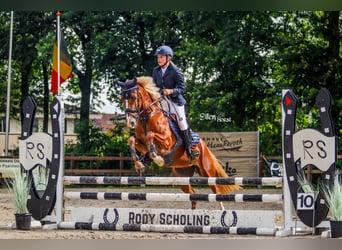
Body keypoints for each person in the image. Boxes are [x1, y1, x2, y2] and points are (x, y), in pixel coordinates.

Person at [152, 45, 199, 161]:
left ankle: (190, 149)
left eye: (161, 57)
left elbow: (182, 88)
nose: (159, 59)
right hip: (162, 101)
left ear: (168, 58)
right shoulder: (156, 71)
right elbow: (154, 86)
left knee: (182, 123)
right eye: (158, 57)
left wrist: (171, 91)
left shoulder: (175, 71)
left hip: (176, 102)